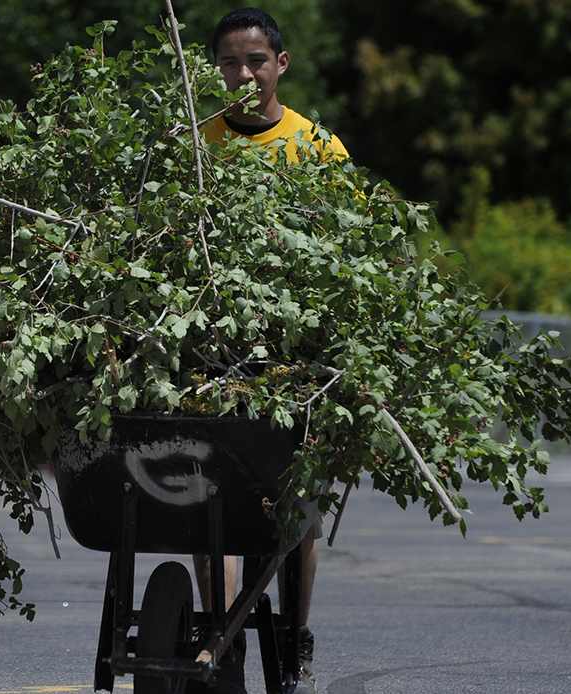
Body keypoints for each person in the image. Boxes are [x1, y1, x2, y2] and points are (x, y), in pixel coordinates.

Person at [192, 8, 349, 694]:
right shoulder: (200, 143)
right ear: (214, 71)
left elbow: (350, 254)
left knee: (296, 502)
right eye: (230, 62)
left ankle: (295, 633)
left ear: (280, 64)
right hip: (213, 345)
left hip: (296, 354)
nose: (244, 74)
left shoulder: (318, 148)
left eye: (256, 61)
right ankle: (220, 640)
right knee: (207, 499)